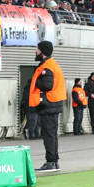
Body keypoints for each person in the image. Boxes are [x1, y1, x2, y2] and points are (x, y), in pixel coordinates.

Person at [30, 40, 66, 171]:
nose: (36, 51)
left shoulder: (47, 67)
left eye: (37, 49)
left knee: (49, 135)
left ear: (42, 52)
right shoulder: (51, 64)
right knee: (52, 134)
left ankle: (51, 162)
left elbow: (47, 85)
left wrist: (36, 81)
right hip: (52, 104)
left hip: (48, 105)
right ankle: (54, 161)